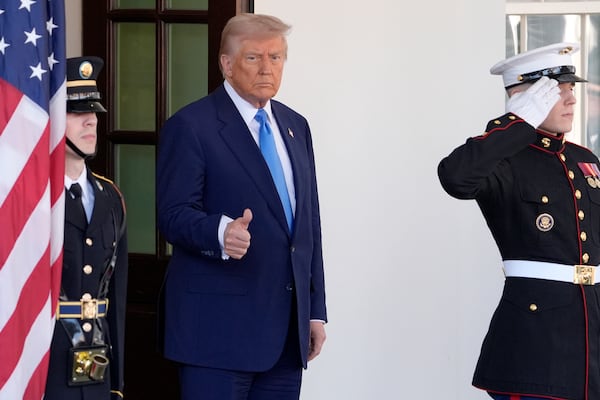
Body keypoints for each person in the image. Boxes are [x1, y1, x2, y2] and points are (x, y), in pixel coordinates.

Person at [156, 13, 327, 400]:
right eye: (253, 58)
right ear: (226, 64)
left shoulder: (295, 126)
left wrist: (314, 310)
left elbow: (307, 226)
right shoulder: (192, 125)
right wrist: (220, 232)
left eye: (276, 57)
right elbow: (172, 214)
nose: (267, 68)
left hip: (285, 336)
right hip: (216, 337)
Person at [438, 42, 600, 400]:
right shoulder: (503, 160)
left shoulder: (584, 159)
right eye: (558, 91)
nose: (572, 99)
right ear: (526, 98)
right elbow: (455, 177)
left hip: (592, 336)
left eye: (571, 89)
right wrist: (516, 123)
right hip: (536, 344)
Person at [45, 56, 128, 400]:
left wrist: (117, 382)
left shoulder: (112, 197)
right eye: (77, 113)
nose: (91, 120)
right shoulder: (32, 200)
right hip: (44, 362)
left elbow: (117, 299)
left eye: (93, 112)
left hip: (96, 362)